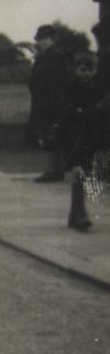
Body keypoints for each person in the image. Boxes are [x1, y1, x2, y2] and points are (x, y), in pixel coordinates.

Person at [59, 51, 109, 231]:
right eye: (83, 70)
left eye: (91, 70)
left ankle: (75, 215)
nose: (87, 74)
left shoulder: (97, 88)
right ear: (76, 70)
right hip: (74, 137)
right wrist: (89, 111)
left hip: (90, 137)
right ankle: (80, 215)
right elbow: (68, 113)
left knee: (83, 174)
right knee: (79, 173)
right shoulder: (71, 88)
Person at [29, 24, 71, 182]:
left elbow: (62, 81)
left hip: (54, 100)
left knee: (53, 134)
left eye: (45, 39)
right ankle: (54, 170)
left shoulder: (58, 57)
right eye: (40, 39)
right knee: (46, 134)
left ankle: (54, 170)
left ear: (53, 39)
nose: (42, 42)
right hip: (41, 101)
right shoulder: (40, 57)